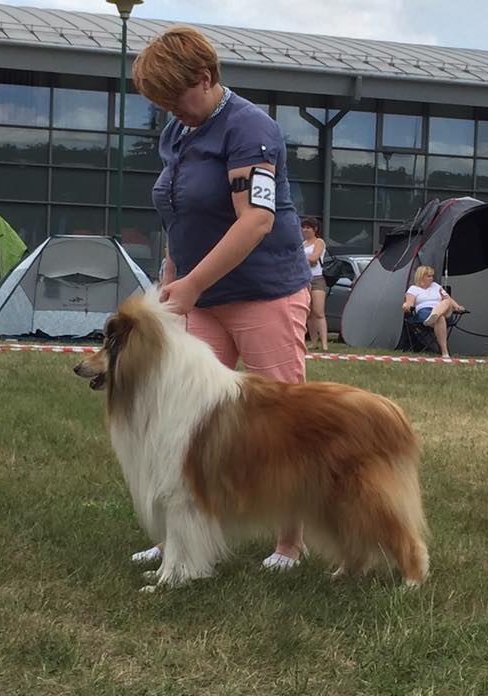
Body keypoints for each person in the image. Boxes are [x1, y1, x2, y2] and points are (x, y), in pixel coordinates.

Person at [131, 25, 311, 572]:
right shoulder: (177, 132)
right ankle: (182, 538)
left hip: (264, 295)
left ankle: (289, 543)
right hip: (198, 298)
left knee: (282, 421)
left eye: (174, 97)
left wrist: (192, 284)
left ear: (206, 78)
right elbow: (178, 212)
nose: (169, 110)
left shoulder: (252, 130)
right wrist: (172, 272)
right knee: (188, 423)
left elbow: (255, 220)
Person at [402, 265, 465, 359]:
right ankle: (445, 353)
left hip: (443, 311)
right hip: (425, 311)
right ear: (421, 276)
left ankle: (434, 316)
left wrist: (458, 306)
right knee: (440, 318)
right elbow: (409, 304)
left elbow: (449, 299)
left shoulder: (436, 286)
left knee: (446, 301)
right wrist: (406, 305)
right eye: (428, 276)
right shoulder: (413, 289)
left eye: (432, 276)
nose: (431, 278)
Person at [301, 217, 328, 351]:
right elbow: (308, 260)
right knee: (309, 312)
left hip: (317, 279)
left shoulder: (319, 242)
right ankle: (313, 342)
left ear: (315, 229)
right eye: (303, 227)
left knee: (318, 311)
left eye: (308, 227)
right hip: (305, 279)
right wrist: (308, 260)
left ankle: (324, 343)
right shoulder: (303, 243)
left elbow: (314, 258)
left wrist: (305, 259)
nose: (305, 230)